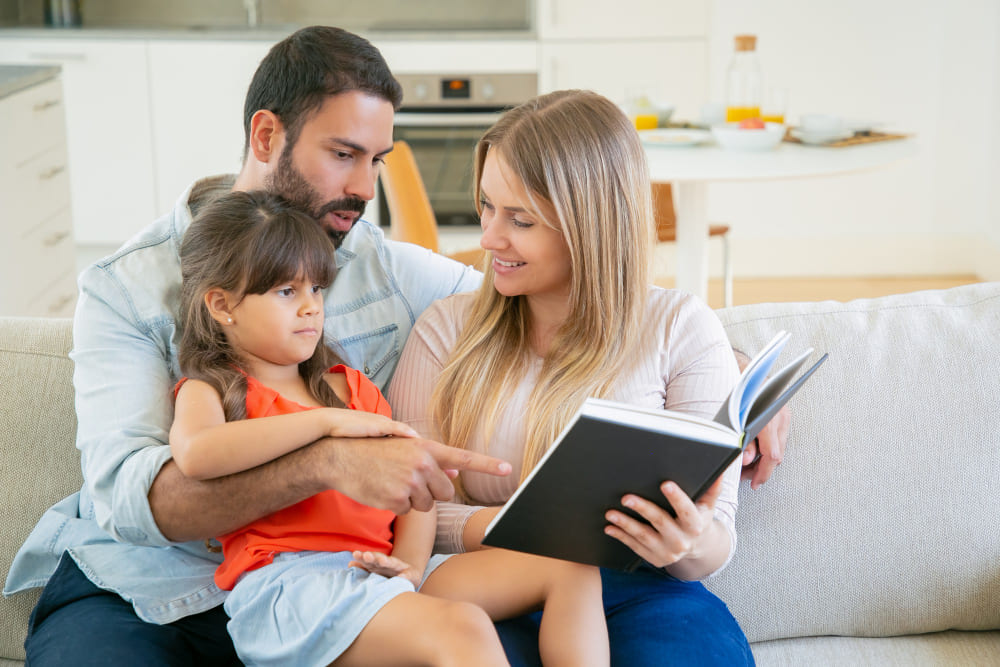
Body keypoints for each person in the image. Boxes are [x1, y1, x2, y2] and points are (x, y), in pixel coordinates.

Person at [3, 25, 786, 666]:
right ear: (267, 134)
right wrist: (328, 453)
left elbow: (546, 286)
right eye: (343, 155)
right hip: (147, 584)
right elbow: (145, 500)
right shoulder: (130, 286)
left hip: (341, 580)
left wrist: (738, 386)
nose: (363, 189)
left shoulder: (379, 265)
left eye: (376, 161)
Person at [387, 89, 758, 665]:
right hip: (489, 594)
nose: (488, 239)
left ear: (592, 223)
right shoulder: (445, 332)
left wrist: (687, 541)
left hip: (645, 594)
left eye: (521, 219)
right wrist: (541, 538)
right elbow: (413, 509)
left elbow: (716, 539)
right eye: (487, 206)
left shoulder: (681, 328)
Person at [170, 189, 608, 665]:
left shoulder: (354, 389)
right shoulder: (214, 390)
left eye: (316, 289)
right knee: (463, 627)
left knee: (571, 566)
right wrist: (325, 422)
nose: (311, 307)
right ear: (221, 304)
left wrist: (409, 571)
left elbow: (416, 493)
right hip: (292, 585)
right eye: (285, 292)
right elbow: (197, 454)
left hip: (383, 570)